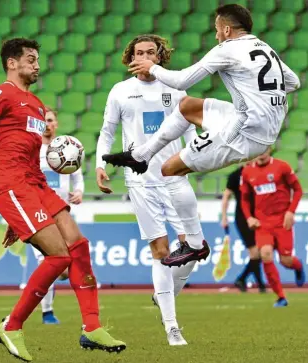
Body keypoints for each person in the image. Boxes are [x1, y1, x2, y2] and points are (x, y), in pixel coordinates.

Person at [0, 38, 125, 362]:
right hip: (12, 185)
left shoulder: (35, 104)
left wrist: (15, 219)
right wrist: (13, 208)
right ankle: (12, 325)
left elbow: (27, 155)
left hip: (35, 184)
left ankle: (91, 327)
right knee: (58, 256)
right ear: (12, 63)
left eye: (37, 59)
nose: (37, 64)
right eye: (31, 59)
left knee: (78, 244)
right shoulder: (0, 94)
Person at [102, 4, 300, 268]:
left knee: (169, 169)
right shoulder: (265, 49)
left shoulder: (227, 49)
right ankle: (140, 155)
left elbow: (182, 80)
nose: (216, 35)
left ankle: (195, 244)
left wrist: (152, 67)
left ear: (227, 29)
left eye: (218, 30)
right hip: (253, 121)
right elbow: (294, 82)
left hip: (243, 133)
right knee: (187, 107)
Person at [96, 34, 203, 346]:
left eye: (150, 53)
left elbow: (194, 127)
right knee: (161, 252)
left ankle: (164, 295)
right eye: (138, 52)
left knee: (193, 249)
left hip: (175, 177)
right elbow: (108, 130)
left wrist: (194, 155)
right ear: (130, 57)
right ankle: (172, 326)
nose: (143, 57)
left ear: (160, 57)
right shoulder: (121, 91)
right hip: (140, 182)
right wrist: (101, 164)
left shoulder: (175, 87)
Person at [32, 106, 85, 324]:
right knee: (47, 263)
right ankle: (47, 313)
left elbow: (78, 176)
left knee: (62, 269)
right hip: (39, 215)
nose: (47, 124)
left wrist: (80, 191)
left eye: (51, 120)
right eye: (43, 120)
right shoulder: (32, 150)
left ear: (56, 124)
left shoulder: (67, 148)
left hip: (62, 214)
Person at [240, 148, 305, 307]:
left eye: (264, 149)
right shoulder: (247, 172)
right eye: (258, 149)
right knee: (265, 254)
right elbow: (244, 199)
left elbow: (297, 190)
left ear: (269, 149)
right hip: (263, 224)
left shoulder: (282, 167)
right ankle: (281, 297)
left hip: (283, 221)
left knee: (286, 261)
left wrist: (291, 212)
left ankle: (298, 267)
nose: (261, 152)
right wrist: (249, 218)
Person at [221, 165, 266, 292]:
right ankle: (261, 285)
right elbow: (226, 196)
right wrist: (224, 217)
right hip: (242, 218)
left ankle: (242, 279)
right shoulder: (235, 175)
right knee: (255, 252)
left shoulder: (260, 171)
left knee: (262, 251)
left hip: (260, 216)